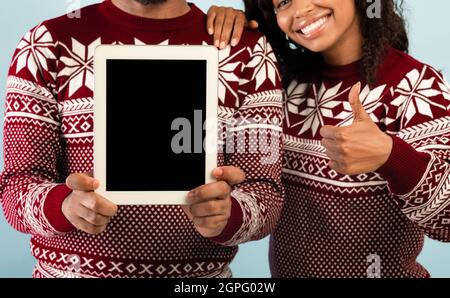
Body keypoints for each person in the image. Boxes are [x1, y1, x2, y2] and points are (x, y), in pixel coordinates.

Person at [0, 0, 284, 278]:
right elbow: (16, 188)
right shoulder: (46, 43)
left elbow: (266, 193)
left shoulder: (248, 50)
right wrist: (64, 206)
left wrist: (230, 215)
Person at [208, 0, 450, 277]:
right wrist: (235, 32)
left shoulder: (417, 87)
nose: (300, 10)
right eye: (283, 2)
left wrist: (391, 156)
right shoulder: (281, 85)